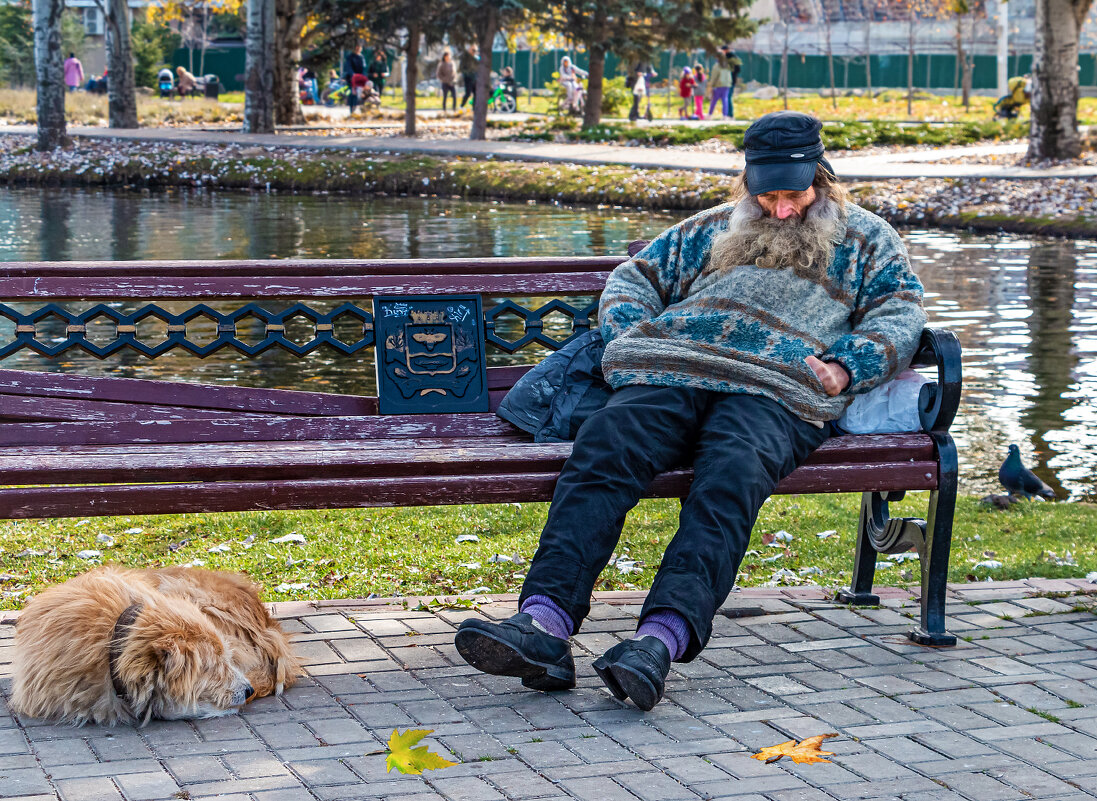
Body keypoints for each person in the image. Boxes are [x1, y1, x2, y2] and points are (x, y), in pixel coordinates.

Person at [453, 110, 927, 711]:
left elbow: (901, 312)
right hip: (671, 369)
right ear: (748, 185)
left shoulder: (869, 239)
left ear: (823, 179)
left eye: (795, 194)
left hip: (777, 389)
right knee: (605, 448)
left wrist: (847, 365)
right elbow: (634, 279)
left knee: (730, 477)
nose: (782, 208)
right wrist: (628, 337)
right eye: (768, 194)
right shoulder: (709, 229)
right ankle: (542, 626)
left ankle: (658, 641)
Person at [708, 52, 734, 119]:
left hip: (718, 85)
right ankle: (725, 116)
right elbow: (729, 75)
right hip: (727, 85)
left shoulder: (717, 66)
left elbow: (714, 76)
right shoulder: (727, 65)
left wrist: (711, 85)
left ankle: (710, 115)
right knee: (725, 100)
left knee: (714, 100)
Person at [343, 43, 366, 115]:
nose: (358, 49)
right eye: (357, 47)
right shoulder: (350, 57)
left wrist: (362, 76)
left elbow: (364, 68)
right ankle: (351, 109)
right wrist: (353, 74)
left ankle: (355, 108)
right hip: (351, 78)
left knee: (359, 95)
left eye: (360, 47)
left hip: (359, 79)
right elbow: (348, 67)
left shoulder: (362, 57)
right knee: (352, 94)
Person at [436, 48, 457, 113]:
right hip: (445, 83)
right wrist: (444, 79)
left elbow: (454, 72)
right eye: (447, 56)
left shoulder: (452, 63)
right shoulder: (441, 64)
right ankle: (444, 109)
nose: (448, 57)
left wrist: (454, 79)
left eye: (449, 56)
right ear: (444, 57)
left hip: (452, 83)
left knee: (454, 96)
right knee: (445, 96)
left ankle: (454, 108)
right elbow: (438, 74)